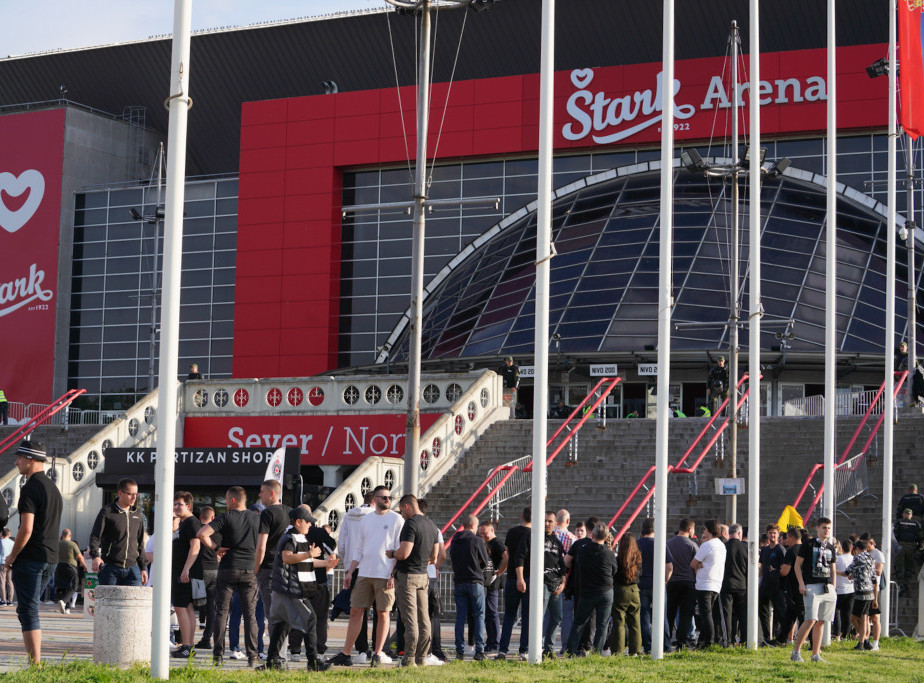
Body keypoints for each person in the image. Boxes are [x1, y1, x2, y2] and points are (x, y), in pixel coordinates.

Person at [328, 485, 403, 668]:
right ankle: (346, 653)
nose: (387, 500)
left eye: (389, 497)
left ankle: (377, 653)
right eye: (384, 497)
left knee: (383, 613)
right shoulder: (366, 519)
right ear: (375, 499)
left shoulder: (397, 519)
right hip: (364, 572)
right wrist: (350, 571)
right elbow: (359, 549)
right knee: (356, 611)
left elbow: (399, 548)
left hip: (385, 574)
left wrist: (393, 574)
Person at [3, 440, 62, 665]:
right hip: (51, 557)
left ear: (30, 459)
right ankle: (34, 663)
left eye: (19, 457)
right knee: (29, 609)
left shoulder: (30, 488)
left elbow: (26, 529)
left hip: (31, 558)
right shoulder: (53, 488)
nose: (16, 462)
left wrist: (12, 555)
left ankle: (35, 666)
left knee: (28, 611)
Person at [260, 507, 334, 672]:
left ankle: (271, 661)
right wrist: (309, 554)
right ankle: (313, 661)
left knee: (282, 625)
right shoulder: (289, 537)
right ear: (298, 522)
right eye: (308, 522)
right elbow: (287, 557)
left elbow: (304, 561)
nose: (310, 525)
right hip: (291, 589)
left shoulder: (300, 537)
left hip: (286, 588)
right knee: (310, 619)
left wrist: (325, 563)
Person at [198, 486, 261, 667]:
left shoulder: (225, 517)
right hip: (249, 569)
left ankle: (218, 656)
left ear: (232, 500)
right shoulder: (257, 519)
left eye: (226, 499)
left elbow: (202, 534)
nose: (225, 503)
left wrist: (216, 548)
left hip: (228, 568)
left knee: (222, 612)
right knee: (250, 615)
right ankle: (252, 656)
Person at [390, 494, 439, 667]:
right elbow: (434, 557)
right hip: (423, 576)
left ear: (407, 506)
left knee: (410, 619)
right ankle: (422, 657)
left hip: (407, 576)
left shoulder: (410, 524)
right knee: (424, 620)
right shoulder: (431, 525)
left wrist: (392, 553)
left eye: (402, 510)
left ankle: (409, 659)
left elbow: (404, 553)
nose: (402, 514)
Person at [512, 511, 567, 660]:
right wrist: (520, 578)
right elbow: (519, 557)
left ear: (555, 523)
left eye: (550, 521)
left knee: (557, 617)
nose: (547, 524)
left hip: (555, 584)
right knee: (537, 617)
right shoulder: (531, 537)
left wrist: (563, 582)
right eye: (544, 520)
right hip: (540, 582)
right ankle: (532, 648)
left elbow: (562, 565)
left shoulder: (557, 541)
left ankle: (548, 649)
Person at [335, 490, 375, 663]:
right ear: (375, 501)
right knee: (380, 610)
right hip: (372, 566)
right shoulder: (376, 516)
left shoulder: (349, 515)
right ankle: (379, 648)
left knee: (358, 609)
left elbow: (342, 543)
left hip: (353, 565)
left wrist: (347, 566)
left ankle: (361, 649)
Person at [565, 522, 617, 654]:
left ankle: (571, 651)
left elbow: (573, 563)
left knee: (579, 622)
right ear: (606, 537)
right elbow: (614, 570)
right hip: (605, 590)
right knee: (602, 624)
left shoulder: (582, 550)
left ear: (592, 534)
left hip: (587, 590)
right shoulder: (609, 553)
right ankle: (597, 652)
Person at [253, 479, 292, 655]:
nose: (260, 495)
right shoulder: (289, 512)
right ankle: (281, 653)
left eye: (262, 492)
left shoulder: (267, 513)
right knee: (284, 613)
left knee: (272, 613)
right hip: (287, 567)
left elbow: (261, 545)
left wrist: (256, 567)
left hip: (269, 567)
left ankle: (276, 655)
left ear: (271, 493)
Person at [790, 517, 836, 663]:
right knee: (810, 619)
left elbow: (833, 568)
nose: (826, 530)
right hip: (811, 586)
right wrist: (801, 583)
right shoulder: (808, 544)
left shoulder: (831, 547)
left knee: (822, 620)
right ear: (817, 528)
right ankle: (796, 651)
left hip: (827, 587)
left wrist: (833, 586)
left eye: (828, 528)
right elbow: (797, 565)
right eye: (824, 527)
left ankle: (815, 654)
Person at [88, 478, 148, 586]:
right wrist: (96, 556)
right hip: (110, 568)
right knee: (108, 597)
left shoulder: (137, 514)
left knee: (134, 598)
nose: (134, 497)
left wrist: (143, 567)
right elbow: (95, 536)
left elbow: (140, 543)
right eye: (130, 494)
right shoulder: (107, 512)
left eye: (136, 494)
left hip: (133, 569)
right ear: (120, 493)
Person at [449, 514, 490, 661]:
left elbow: (452, 557)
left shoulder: (455, 540)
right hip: (475, 581)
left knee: (461, 616)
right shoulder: (477, 540)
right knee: (479, 616)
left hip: (459, 581)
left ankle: (459, 651)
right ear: (473, 525)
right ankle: (479, 650)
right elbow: (485, 562)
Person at [169, 491, 203, 658]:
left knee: (180, 607)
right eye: (174, 504)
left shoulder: (191, 522)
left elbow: (195, 546)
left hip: (185, 573)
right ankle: (188, 646)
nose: (176, 507)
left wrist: (186, 569)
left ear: (188, 506)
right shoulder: (184, 523)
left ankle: (187, 646)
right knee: (187, 608)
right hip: (182, 571)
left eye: (179, 504)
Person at [496, 507, 531, 660]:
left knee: (509, 615)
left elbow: (508, 554)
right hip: (529, 577)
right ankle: (524, 650)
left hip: (511, 577)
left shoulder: (512, 532)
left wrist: (500, 571)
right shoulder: (535, 534)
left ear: (522, 516)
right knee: (527, 616)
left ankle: (503, 649)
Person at [637, 517, 673, 654]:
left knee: (644, 617)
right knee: (661, 616)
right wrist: (665, 580)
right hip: (657, 583)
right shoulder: (660, 544)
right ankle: (666, 646)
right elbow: (669, 566)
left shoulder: (637, 544)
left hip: (641, 584)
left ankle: (648, 646)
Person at [691, 519, 726, 648]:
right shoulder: (721, 546)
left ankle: (708, 642)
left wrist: (699, 564)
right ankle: (702, 640)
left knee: (705, 615)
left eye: (705, 529)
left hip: (704, 583)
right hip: (716, 583)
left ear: (710, 530)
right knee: (708, 613)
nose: (704, 531)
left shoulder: (707, 545)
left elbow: (693, 563)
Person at [665, 518, 698, 650]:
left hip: (672, 582)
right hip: (688, 583)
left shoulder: (668, 543)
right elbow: (696, 566)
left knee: (670, 613)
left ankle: (665, 640)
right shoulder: (692, 545)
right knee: (686, 615)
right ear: (690, 529)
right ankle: (681, 642)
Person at [839, 538, 877, 651]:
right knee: (864, 618)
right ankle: (864, 641)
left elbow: (847, 572)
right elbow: (873, 577)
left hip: (861, 592)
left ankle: (863, 641)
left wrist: (834, 572)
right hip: (870, 592)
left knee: (854, 618)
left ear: (856, 549)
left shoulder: (857, 558)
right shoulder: (871, 558)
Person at [609, 532, 642, 656]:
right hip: (634, 590)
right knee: (635, 622)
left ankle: (618, 651)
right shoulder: (638, 559)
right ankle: (636, 650)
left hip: (620, 590)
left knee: (619, 622)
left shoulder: (618, 559)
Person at [478, 521, 506, 653]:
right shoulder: (486, 543)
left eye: (485, 533)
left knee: (492, 612)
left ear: (492, 530)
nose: (483, 536)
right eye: (481, 533)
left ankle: (495, 642)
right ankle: (490, 641)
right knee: (488, 613)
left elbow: (506, 557)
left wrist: (498, 572)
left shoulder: (497, 543)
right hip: (486, 581)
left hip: (493, 582)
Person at [758, 524, 786, 645]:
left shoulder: (780, 550)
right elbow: (761, 566)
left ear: (778, 535)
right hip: (765, 585)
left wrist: (775, 571)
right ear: (767, 534)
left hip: (777, 587)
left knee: (780, 613)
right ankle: (766, 636)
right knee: (763, 612)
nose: (772, 535)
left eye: (774, 533)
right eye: (770, 533)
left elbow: (784, 569)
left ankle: (782, 638)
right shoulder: (764, 550)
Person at [195, 506, 218, 650]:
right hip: (214, 570)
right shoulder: (217, 532)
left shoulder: (197, 530)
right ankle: (207, 638)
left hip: (200, 570)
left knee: (191, 604)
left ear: (200, 517)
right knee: (211, 607)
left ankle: (184, 638)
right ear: (213, 518)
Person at [721, 523, 747, 646]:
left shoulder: (723, 547)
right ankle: (744, 640)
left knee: (727, 615)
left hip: (726, 585)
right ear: (739, 533)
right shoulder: (745, 548)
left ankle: (729, 640)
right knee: (743, 615)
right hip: (742, 585)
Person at [54, 529, 86, 614]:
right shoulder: (72, 544)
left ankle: (67, 609)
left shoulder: (57, 544)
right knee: (74, 586)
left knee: (64, 587)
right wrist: (85, 566)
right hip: (71, 567)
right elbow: (80, 557)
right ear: (70, 536)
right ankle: (64, 602)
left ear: (62, 535)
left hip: (59, 567)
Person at [894, 508, 923, 590]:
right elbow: (920, 537)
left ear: (903, 514)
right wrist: (919, 548)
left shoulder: (898, 522)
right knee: (908, 566)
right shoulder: (916, 523)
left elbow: (894, 534)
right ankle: (905, 583)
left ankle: (901, 584)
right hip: (911, 546)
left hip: (901, 546)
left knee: (900, 566)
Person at [833, 540, 855, 641]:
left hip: (839, 589)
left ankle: (837, 634)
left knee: (836, 612)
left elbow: (833, 570)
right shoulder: (854, 559)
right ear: (852, 548)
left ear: (841, 547)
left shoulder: (838, 559)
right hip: (851, 589)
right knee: (847, 614)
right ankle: (846, 635)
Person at [0, 528, 14, 605]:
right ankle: (10, 600)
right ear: (9, 534)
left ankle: (3, 600)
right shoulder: (12, 542)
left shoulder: (1, 542)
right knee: (10, 581)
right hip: (10, 562)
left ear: (2, 534)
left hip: (2, 562)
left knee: (2, 581)